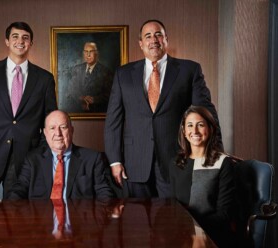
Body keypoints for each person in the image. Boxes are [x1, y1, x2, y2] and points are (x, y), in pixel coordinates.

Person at [104, 19, 221, 198]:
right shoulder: (123, 74)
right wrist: (114, 161)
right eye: (148, 36)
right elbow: (113, 120)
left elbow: (207, 113)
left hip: (176, 159)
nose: (154, 40)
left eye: (158, 34)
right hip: (134, 163)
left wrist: (216, 151)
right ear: (141, 44)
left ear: (166, 39)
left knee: (174, 220)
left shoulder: (189, 70)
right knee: (137, 222)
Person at [0, 21, 57, 200]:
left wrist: (42, 156)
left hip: (25, 158)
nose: (20, 41)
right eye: (15, 36)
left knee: (15, 217)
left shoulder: (44, 79)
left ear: (31, 43)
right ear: (7, 41)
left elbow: (50, 121)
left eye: (25, 38)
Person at [7, 110, 115, 199]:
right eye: (52, 128)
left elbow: (104, 193)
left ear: (72, 130)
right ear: (45, 133)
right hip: (41, 221)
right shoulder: (33, 159)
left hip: (79, 222)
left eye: (63, 127)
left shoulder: (92, 159)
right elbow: (19, 189)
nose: (58, 133)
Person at [169, 105, 236, 247]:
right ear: (184, 131)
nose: (194, 131)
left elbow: (224, 216)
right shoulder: (176, 163)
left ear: (210, 129)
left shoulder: (223, 163)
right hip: (182, 235)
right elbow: (173, 209)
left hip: (212, 235)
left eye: (200, 125)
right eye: (190, 125)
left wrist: (194, 226)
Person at [63, 42, 113, 113]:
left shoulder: (105, 72)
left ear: (96, 53)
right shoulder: (76, 69)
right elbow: (70, 91)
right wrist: (81, 98)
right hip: (77, 111)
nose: (88, 55)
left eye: (91, 51)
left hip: (97, 112)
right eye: (86, 52)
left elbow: (110, 95)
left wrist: (94, 99)